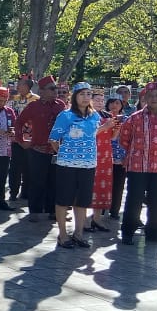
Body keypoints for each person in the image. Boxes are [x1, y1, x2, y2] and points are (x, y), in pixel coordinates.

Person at [48, 82, 115, 249]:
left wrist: (105, 127)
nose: (86, 97)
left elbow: (90, 133)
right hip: (67, 165)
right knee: (63, 200)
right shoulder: (66, 116)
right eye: (82, 94)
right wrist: (65, 153)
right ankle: (63, 235)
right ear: (75, 96)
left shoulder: (95, 116)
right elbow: (53, 139)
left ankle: (78, 234)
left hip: (88, 164)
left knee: (82, 201)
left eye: (88, 94)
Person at [118, 82, 157, 245]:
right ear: (145, 98)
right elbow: (124, 139)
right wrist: (138, 151)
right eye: (150, 96)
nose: (154, 99)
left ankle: (154, 233)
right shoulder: (134, 118)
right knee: (134, 199)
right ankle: (128, 232)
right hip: (137, 165)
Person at [15, 76, 66, 221]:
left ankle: (53, 211)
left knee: (55, 182)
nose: (56, 91)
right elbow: (19, 122)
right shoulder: (33, 106)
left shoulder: (60, 105)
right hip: (37, 150)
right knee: (37, 181)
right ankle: (34, 211)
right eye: (52, 88)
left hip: (56, 151)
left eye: (56, 88)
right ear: (42, 91)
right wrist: (21, 140)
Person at [87, 90, 115, 232]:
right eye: (96, 100)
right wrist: (105, 127)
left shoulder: (108, 116)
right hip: (89, 154)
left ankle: (97, 219)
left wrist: (116, 127)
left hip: (105, 154)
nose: (99, 102)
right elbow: (88, 134)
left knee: (101, 187)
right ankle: (84, 222)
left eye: (101, 100)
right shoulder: (86, 116)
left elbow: (112, 136)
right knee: (87, 187)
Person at [8, 76, 38, 200]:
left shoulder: (36, 100)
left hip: (30, 139)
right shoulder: (14, 99)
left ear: (27, 86)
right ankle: (13, 192)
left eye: (20, 84)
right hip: (16, 138)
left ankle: (26, 192)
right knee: (15, 167)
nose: (17, 87)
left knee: (29, 167)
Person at [107, 97, 128, 220]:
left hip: (121, 157)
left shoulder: (127, 120)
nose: (114, 105)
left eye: (117, 103)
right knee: (104, 184)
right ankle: (102, 209)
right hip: (104, 157)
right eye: (111, 102)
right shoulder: (102, 118)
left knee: (118, 185)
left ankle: (114, 210)